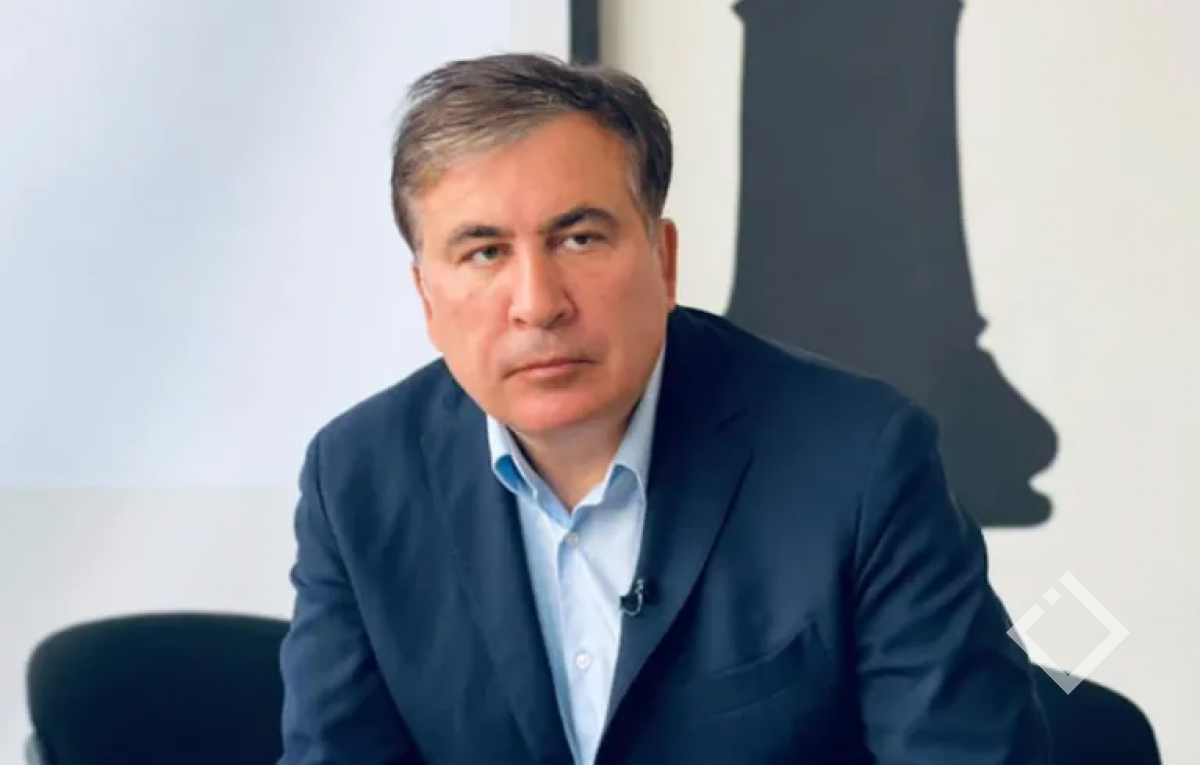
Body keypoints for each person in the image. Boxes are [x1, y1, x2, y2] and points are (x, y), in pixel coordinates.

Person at [278, 53, 1051, 765]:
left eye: (579, 239)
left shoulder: (859, 462)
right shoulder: (356, 481)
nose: (538, 304)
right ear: (426, 296)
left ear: (664, 257)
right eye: (485, 252)